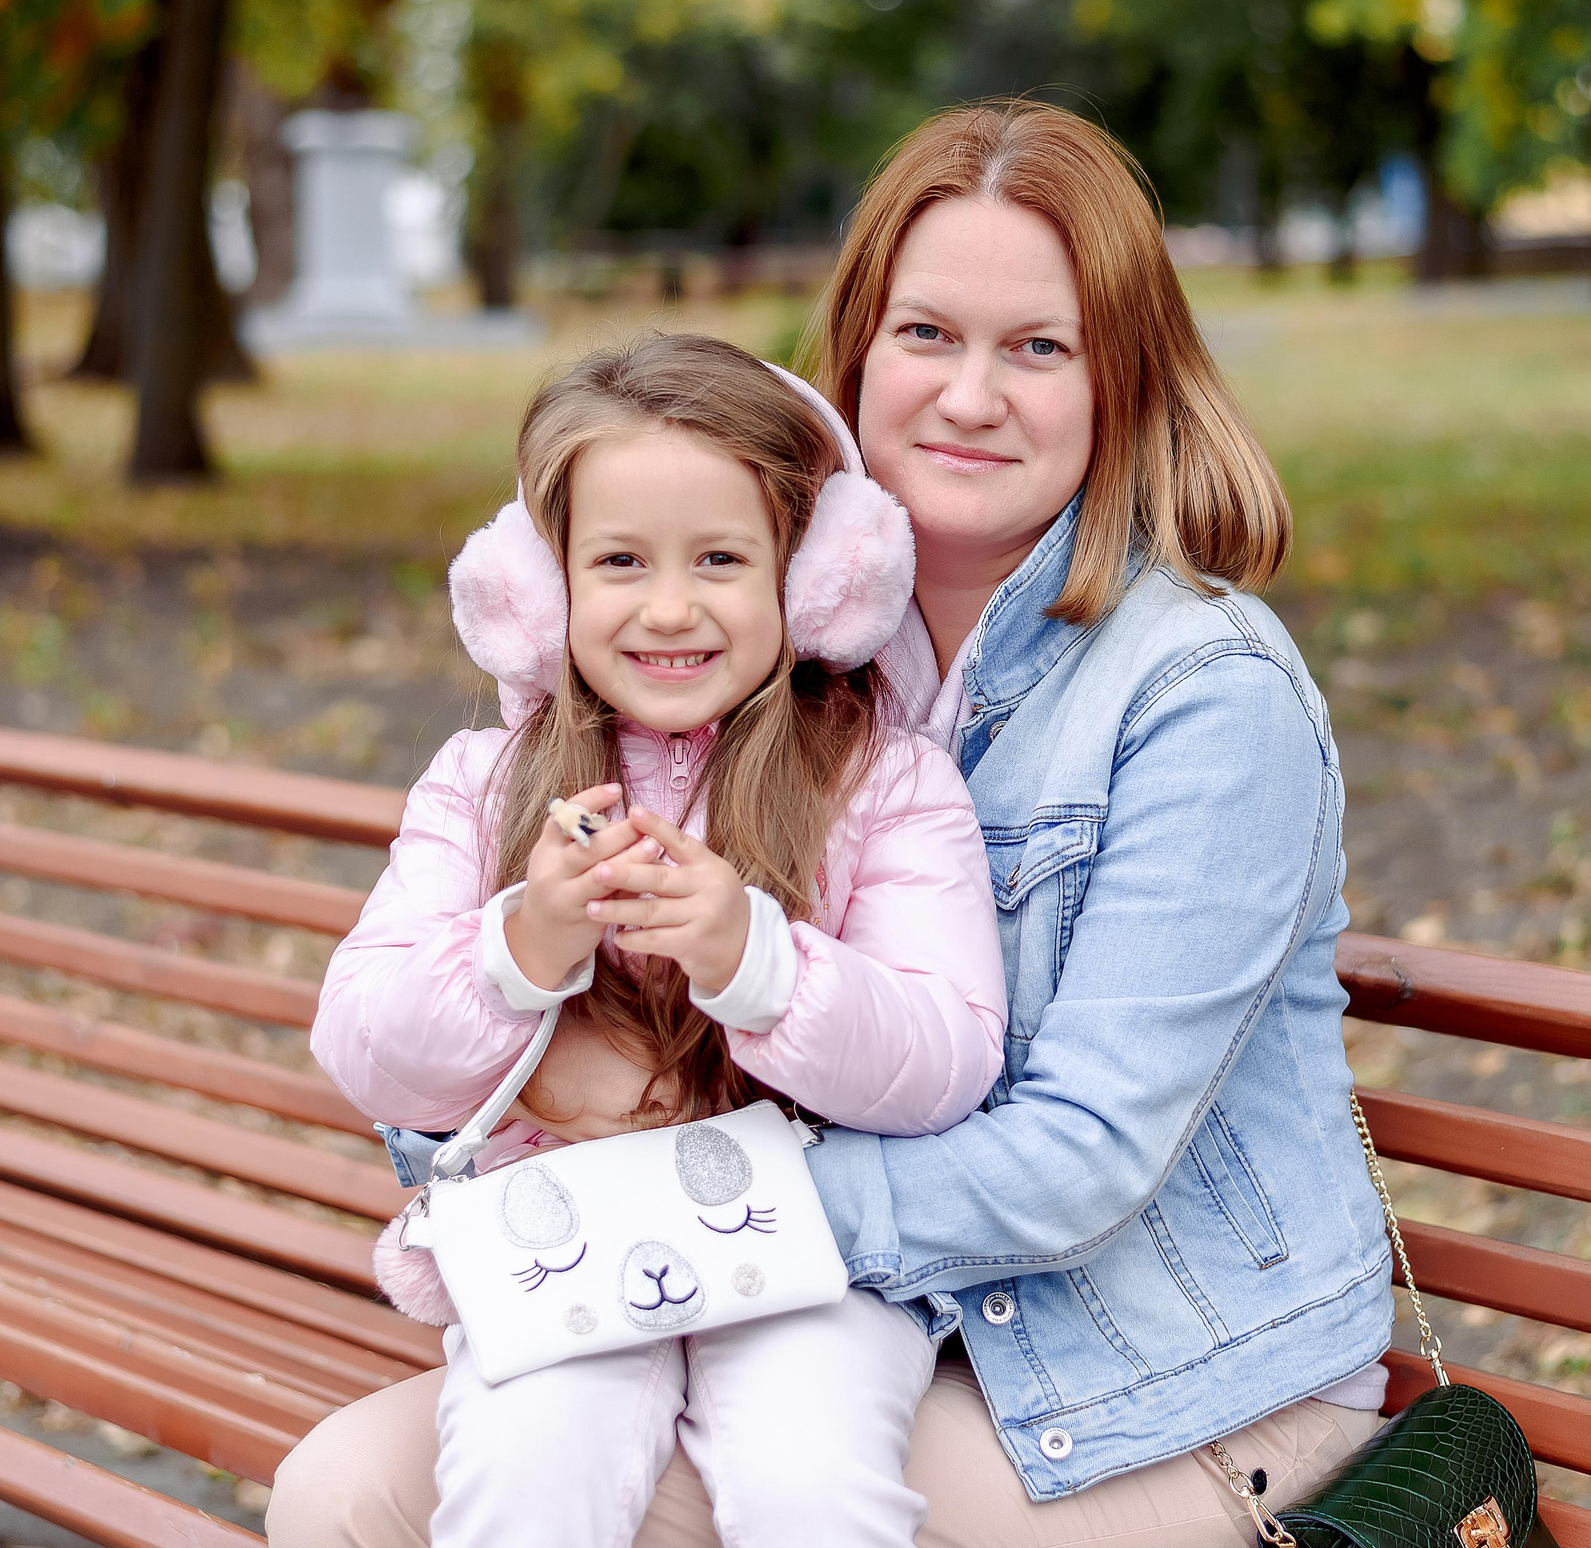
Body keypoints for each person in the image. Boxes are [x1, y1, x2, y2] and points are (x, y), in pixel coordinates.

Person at [271, 101, 1398, 1548]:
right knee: (341, 1496)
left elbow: (1081, 1162)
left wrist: (678, 1175)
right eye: (926, 334)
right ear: (855, 352)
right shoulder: (761, 648)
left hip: (1152, 1366)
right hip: (852, 1303)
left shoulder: (1201, 694)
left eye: (1038, 347)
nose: (970, 396)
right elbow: (425, 1048)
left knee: (723, 1512)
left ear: (1122, 379)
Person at [311, 331, 1009, 1548]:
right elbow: (365, 1043)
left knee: (812, 1481)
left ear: (812, 581)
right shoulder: (483, 786)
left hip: (813, 1264)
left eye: (723, 559)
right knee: (525, 1474)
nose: (670, 606)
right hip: (564, 1238)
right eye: (620, 560)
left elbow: (947, 1054)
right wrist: (521, 944)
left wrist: (759, 960)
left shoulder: (887, 785)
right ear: (540, 589)